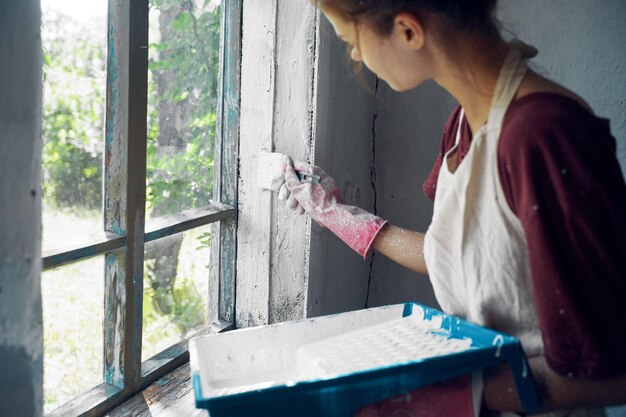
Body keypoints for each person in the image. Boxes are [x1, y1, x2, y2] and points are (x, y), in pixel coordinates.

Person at [276, 1, 626, 416]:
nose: (354, 55)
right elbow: (461, 256)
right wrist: (334, 213)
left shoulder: (543, 137)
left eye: (352, 40)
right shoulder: (464, 122)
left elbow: (613, 374)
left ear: (409, 32)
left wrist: (433, 397)